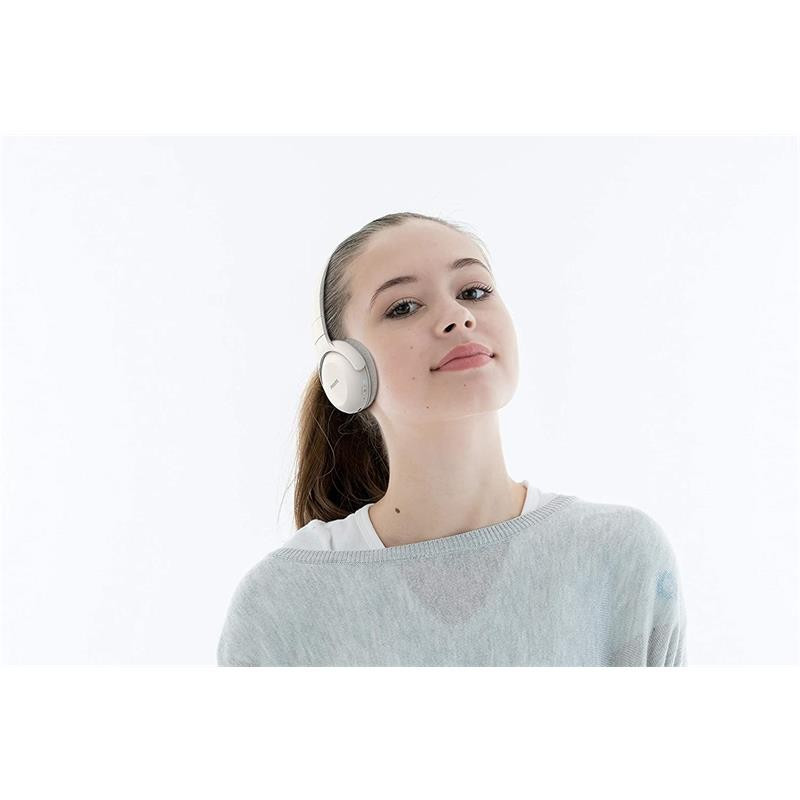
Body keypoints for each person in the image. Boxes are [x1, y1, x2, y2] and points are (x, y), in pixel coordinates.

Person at [217, 211, 688, 667]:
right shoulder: (280, 604)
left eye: (473, 291)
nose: (458, 316)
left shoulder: (620, 553)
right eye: (403, 306)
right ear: (345, 373)